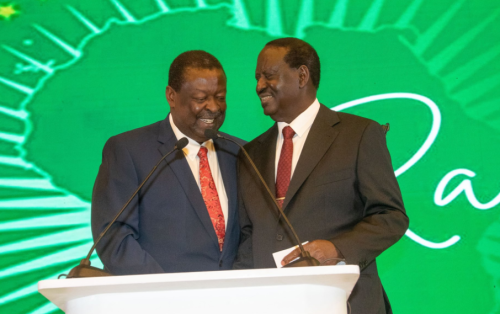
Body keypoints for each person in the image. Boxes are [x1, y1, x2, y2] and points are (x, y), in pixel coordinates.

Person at [233, 38, 409, 313]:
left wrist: (336, 249)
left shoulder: (358, 135)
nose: (259, 86)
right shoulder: (249, 154)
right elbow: (247, 238)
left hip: (343, 302)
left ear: (302, 75)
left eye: (268, 76)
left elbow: (391, 216)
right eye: (257, 78)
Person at [91, 50, 244, 275]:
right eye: (201, 99)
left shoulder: (241, 152)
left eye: (220, 97)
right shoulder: (129, 150)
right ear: (171, 96)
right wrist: (166, 292)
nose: (213, 107)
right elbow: (115, 238)